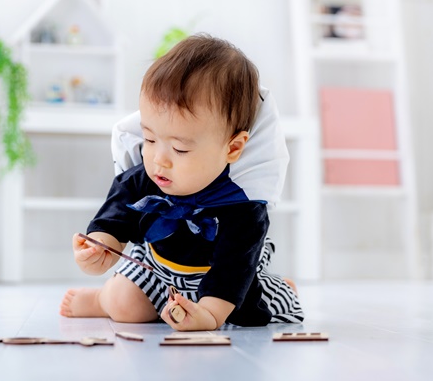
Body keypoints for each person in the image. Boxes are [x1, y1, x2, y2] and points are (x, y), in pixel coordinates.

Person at [60, 33, 304, 331]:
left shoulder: (243, 206)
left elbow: (232, 269)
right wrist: (101, 248)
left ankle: (273, 285)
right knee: (126, 305)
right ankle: (101, 300)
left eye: (180, 149)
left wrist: (210, 315)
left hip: (224, 280)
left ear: (232, 148)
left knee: (249, 314)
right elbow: (116, 218)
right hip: (156, 268)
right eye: (149, 138)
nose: (159, 160)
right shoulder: (144, 177)